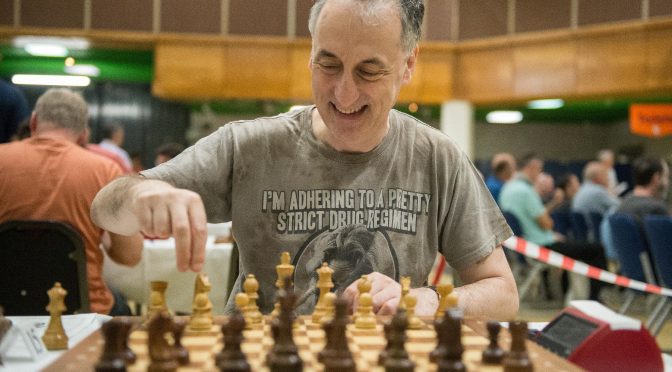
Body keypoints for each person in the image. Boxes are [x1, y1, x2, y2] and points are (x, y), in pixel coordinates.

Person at [91, 0, 518, 320]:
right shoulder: (249, 146)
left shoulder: (437, 158)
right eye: (328, 65)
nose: (344, 94)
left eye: (369, 71)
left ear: (409, 64)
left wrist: (424, 300)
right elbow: (105, 208)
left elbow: (502, 293)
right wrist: (142, 192)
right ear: (311, 54)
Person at [0, 88, 143, 315]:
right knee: (121, 304)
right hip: (83, 308)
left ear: (34, 122)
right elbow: (130, 256)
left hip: (5, 309)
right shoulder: (106, 171)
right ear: (84, 134)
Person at [499, 153, 607, 301]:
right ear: (531, 167)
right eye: (539, 169)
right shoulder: (526, 191)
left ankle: (565, 294)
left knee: (570, 246)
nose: (539, 174)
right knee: (596, 250)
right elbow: (546, 223)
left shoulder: (508, 189)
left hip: (522, 247)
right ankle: (595, 298)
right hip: (540, 247)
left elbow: (534, 218)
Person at [616, 157, 670, 221]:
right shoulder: (657, 209)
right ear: (656, 178)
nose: (668, 182)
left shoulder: (624, 203)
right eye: (666, 176)